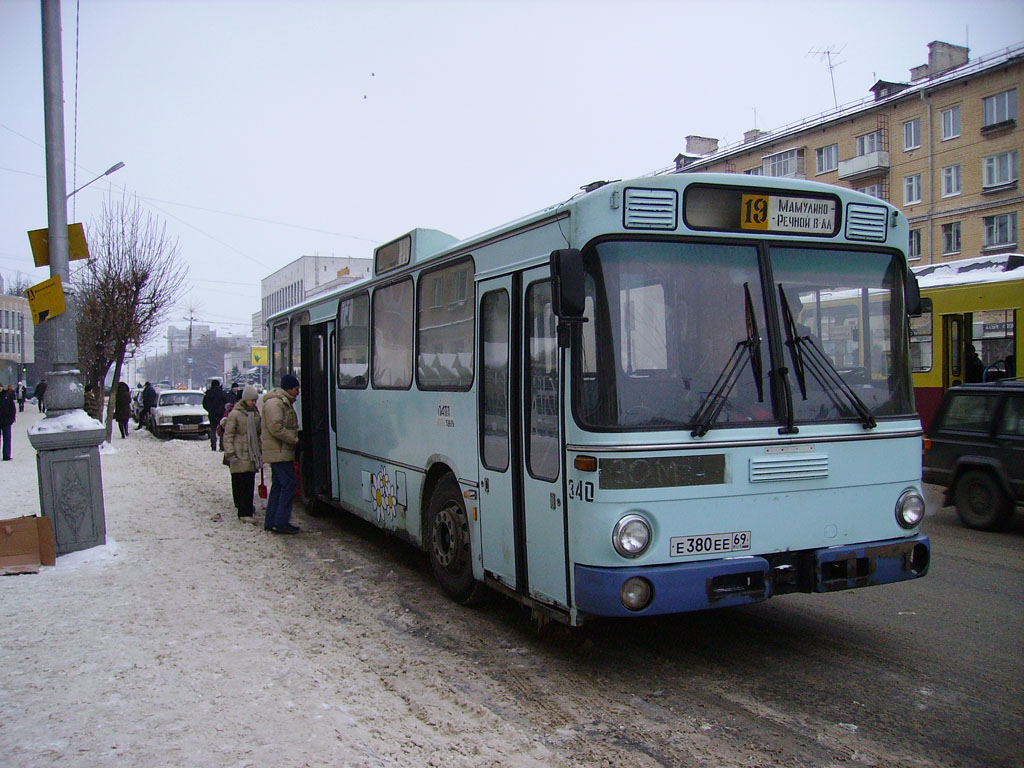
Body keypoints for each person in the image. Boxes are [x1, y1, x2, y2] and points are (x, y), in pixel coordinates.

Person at [261, 373, 301, 534]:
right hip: (279, 451)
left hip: (279, 451)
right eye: (296, 389)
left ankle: (272, 521)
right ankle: (281, 521)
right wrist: (294, 440)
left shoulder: (281, 402)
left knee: (279, 485)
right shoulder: (276, 404)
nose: (298, 392)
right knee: (289, 484)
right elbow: (276, 427)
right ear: (289, 389)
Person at [222, 384, 262, 519]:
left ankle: (247, 509)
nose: (254, 403)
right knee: (242, 482)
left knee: (249, 482)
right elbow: (228, 435)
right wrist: (230, 452)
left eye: (255, 400)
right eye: (252, 400)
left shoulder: (255, 414)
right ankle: (244, 512)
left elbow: (258, 434)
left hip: (251, 453)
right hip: (238, 453)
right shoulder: (235, 414)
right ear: (245, 400)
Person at [202, 379, 229, 451]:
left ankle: (213, 446)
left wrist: (209, 410)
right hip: (221, 414)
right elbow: (227, 402)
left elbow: (204, 404)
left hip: (212, 414)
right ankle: (222, 446)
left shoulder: (208, 394)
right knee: (222, 429)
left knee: (213, 430)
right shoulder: (222, 393)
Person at [0, 384, 16, 461]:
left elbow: (12, 408)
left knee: (7, 439)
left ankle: (6, 455)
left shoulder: (7, 395)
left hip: (6, 421)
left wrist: (11, 419)